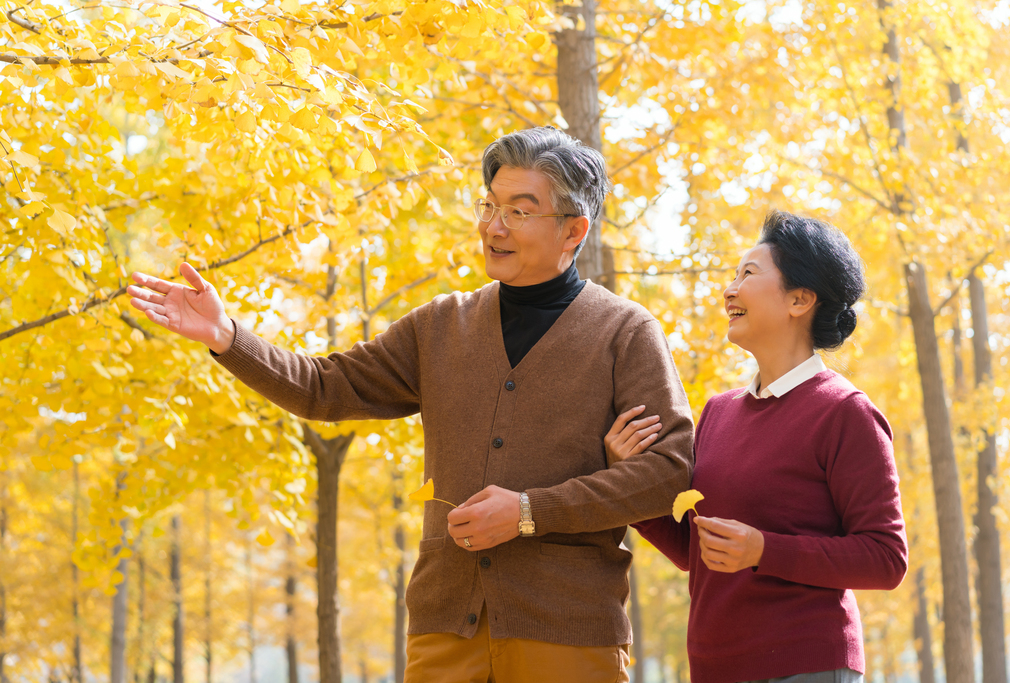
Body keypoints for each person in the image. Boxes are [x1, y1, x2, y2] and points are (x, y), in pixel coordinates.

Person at [128, 126, 695, 683]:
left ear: (574, 230)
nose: (493, 227)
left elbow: (667, 473)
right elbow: (326, 388)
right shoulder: (442, 325)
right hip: (444, 627)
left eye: (519, 212)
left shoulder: (626, 332)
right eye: (489, 206)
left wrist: (529, 511)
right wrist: (228, 335)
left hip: (568, 631)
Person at [605, 211, 907, 683]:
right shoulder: (718, 412)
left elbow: (886, 557)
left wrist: (765, 550)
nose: (730, 289)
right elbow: (695, 551)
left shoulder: (845, 411)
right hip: (714, 666)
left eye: (748, 273)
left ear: (800, 299)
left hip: (804, 665)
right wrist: (629, 482)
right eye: (733, 275)